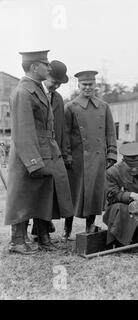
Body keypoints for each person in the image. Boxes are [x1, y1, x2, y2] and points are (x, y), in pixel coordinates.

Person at [5, 50, 73, 254]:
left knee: (43, 195)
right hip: (29, 154)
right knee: (22, 197)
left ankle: (43, 237)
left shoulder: (37, 90)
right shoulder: (23, 92)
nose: (49, 68)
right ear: (34, 67)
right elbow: (23, 132)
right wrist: (33, 162)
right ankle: (17, 241)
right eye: (46, 65)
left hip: (44, 150)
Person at [63, 70, 117, 237]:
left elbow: (110, 133)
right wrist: (67, 155)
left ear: (95, 85)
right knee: (73, 195)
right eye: (84, 85)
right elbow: (64, 134)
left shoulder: (104, 106)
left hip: (97, 158)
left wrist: (111, 154)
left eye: (90, 84)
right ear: (78, 86)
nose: (87, 87)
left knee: (94, 193)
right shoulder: (70, 107)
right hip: (77, 160)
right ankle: (67, 228)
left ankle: (90, 226)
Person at [31, 60, 71, 241]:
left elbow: (61, 128)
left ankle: (43, 227)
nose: (56, 86)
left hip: (54, 150)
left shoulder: (58, 98)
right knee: (40, 191)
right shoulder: (33, 94)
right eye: (54, 81)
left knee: (55, 190)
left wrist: (62, 152)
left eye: (59, 84)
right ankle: (42, 232)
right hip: (37, 149)